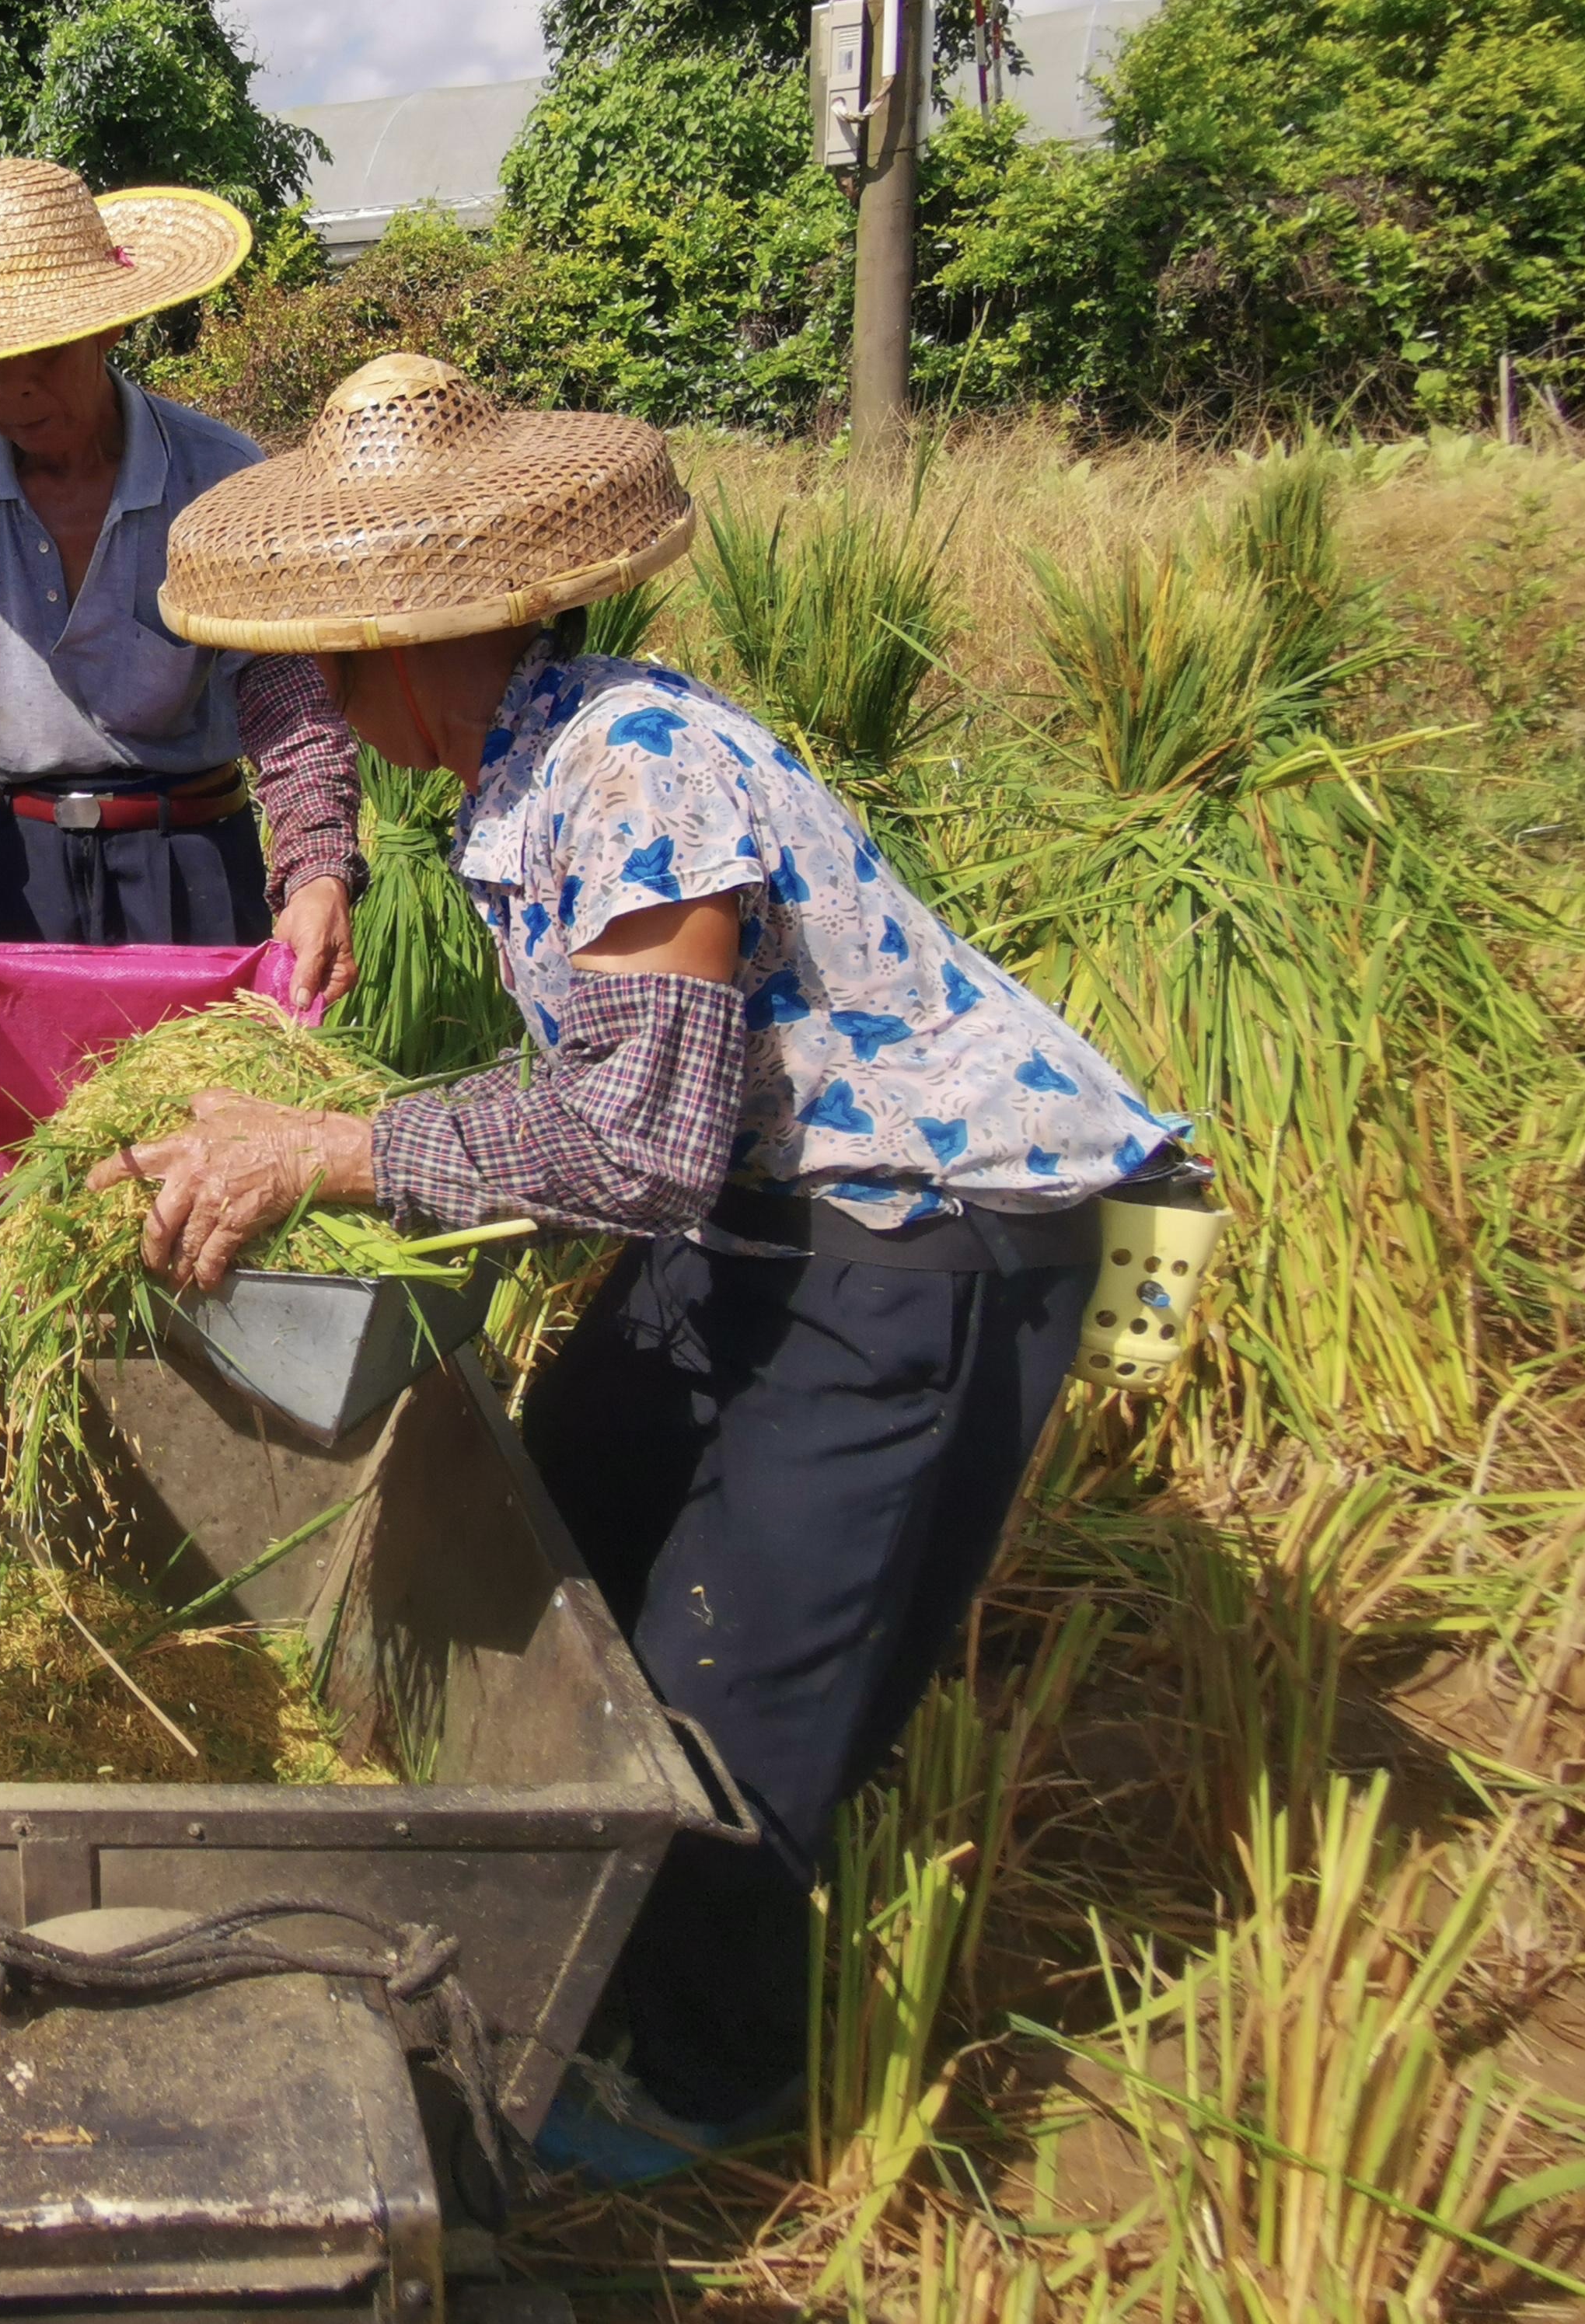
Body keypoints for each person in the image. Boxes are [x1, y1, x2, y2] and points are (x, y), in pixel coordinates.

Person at [103, 354, 1189, 2175]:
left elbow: (634, 1143)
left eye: (322, 654)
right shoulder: (529, 758)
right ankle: (563, 1895)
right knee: (576, 1494)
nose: (312, 690)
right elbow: (632, 1100)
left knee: (727, 1685)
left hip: (925, 1225)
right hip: (761, 1196)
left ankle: (703, 2068)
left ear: (403, 633)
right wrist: (328, 1124)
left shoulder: (626, 769)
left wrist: (334, 1149)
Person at [0, 157, 359, 1012]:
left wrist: (319, 865)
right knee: (25, 1139)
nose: (14, 388)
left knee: (204, 1129)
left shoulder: (217, 478)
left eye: (43, 350)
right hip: (8, 869)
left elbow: (285, 697)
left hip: (192, 861)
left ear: (108, 330)